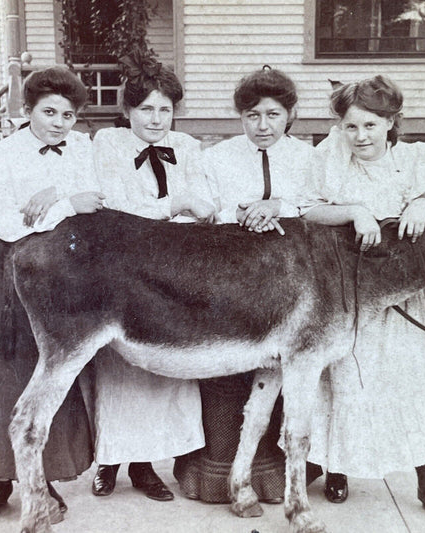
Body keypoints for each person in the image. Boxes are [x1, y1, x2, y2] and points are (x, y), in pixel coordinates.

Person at [303, 75, 425, 526]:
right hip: (349, 294)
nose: (361, 137)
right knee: (346, 382)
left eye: (371, 126)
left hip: (403, 297)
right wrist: (354, 211)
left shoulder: (416, 160)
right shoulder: (332, 160)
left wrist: (422, 203)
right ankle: (336, 466)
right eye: (351, 127)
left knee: (409, 383)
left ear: (392, 123)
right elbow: (307, 208)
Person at [173, 66, 323, 503]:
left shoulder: (308, 158)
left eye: (274, 115)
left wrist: (281, 205)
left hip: (290, 284)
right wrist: (235, 215)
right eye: (252, 115)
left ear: (289, 115)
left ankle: (271, 470)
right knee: (229, 371)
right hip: (230, 281)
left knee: (281, 372)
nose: (263, 126)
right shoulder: (216, 158)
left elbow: (320, 206)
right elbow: (202, 212)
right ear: (240, 117)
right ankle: (217, 469)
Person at [0, 66, 104, 525]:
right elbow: (8, 224)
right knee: (1, 365)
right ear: (28, 111)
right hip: (1, 266)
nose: (59, 123)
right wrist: (65, 203)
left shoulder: (82, 146)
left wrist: (53, 192)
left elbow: (95, 198)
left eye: (68, 115)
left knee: (48, 367)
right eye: (49, 112)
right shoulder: (4, 151)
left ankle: (40, 475)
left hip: (56, 267)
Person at [90, 50, 215, 502]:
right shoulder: (108, 143)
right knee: (121, 364)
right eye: (146, 109)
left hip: (175, 270)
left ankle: (146, 466)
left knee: (167, 365)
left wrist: (190, 207)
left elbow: (207, 204)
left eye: (166, 109)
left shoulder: (188, 149)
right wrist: (175, 204)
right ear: (128, 111)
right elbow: (118, 206)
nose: (157, 119)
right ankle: (109, 461)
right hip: (125, 269)